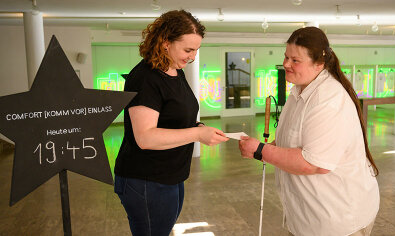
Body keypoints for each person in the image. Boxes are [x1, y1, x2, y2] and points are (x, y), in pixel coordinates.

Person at [239, 27, 380, 236]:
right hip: (308, 219)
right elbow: (292, 141)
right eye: (286, 57)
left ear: (319, 64)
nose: (286, 64)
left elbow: (314, 163)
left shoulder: (328, 100)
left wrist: (260, 150)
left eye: (295, 60)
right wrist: (267, 148)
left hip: (336, 221)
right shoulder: (298, 89)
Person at [114, 10, 229, 236]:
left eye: (196, 50)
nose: (193, 57)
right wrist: (196, 135)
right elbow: (145, 137)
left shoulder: (176, 70)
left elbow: (174, 117)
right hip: (146, 179)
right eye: (188, 50)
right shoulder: (146, 78)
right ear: (165, 43)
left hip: (171, 175)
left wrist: (198, 128)